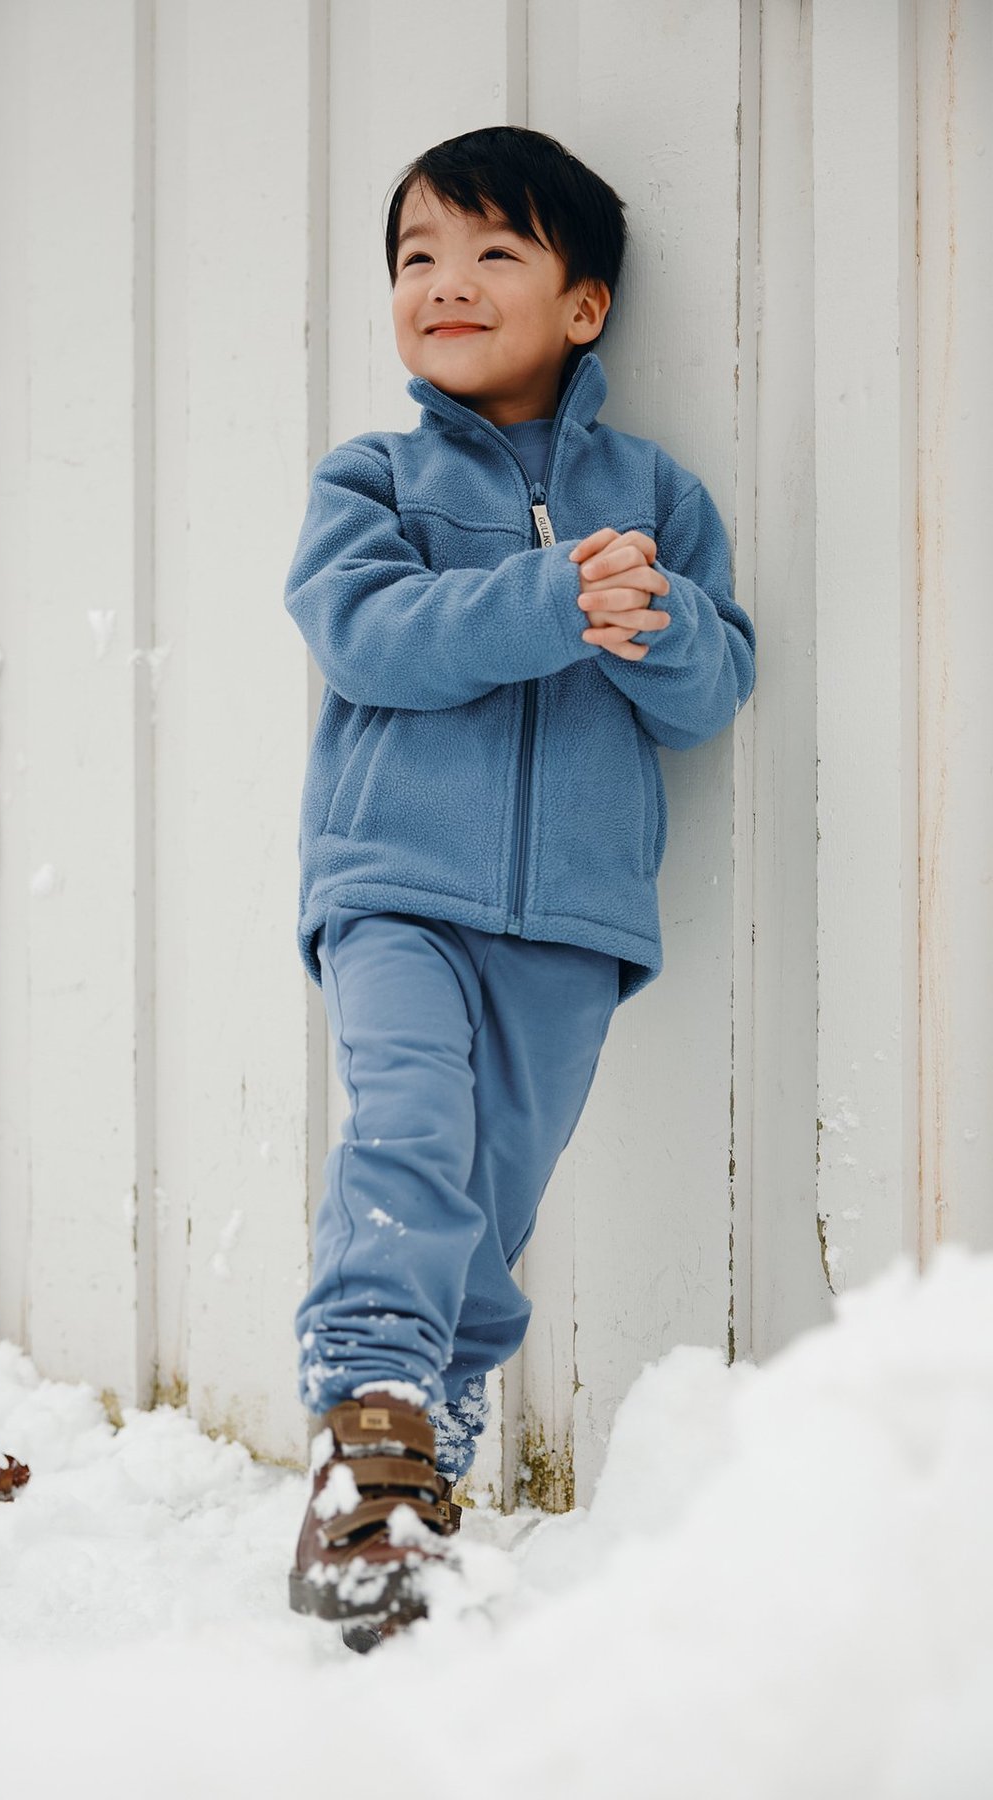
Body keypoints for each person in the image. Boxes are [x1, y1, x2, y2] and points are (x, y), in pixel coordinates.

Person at [282, 124, 756, 1649]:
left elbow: (712, 688)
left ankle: (422, 1491)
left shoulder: (657, 498)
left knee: (489, 1209)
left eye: (495, 252)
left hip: (570, 920)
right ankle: (366, 1439)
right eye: (418, 256)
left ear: (585, 305)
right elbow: (372, 638)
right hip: (395, 888)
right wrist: (554, 595)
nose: (447, 282)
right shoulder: (376, 480)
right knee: (410, 1135)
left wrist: (652, 621)